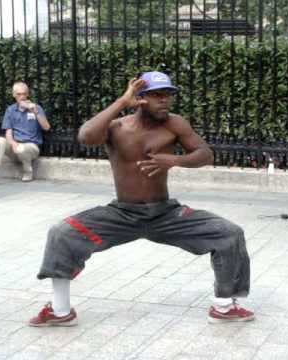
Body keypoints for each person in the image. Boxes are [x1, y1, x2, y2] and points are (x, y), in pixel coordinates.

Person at [29, 71, 254, 327]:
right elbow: (86, 137)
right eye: (158, 95)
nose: (165, 101)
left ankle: (224, 306)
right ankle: (60, 311)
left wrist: (175, 160)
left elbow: (205, 154)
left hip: (166, 213)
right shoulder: (117, 127)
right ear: (141, 98)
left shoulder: (175, 124)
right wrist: (121, 102)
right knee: (61, 234)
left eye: (168, 95)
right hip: (122, 213)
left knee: (229, 233)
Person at [0, 81, 51, 187]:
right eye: (18, 94)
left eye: (24, 94)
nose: (22, 97)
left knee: (22, 148)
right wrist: (13, 143)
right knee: (0, 140)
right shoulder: (11, 110)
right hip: (16, 146)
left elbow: (46, 127)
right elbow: (8, 132)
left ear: (28, 94)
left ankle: (28, 171)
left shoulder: (36, 108)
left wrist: (35, 112)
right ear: (14, 95)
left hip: (31, 147)